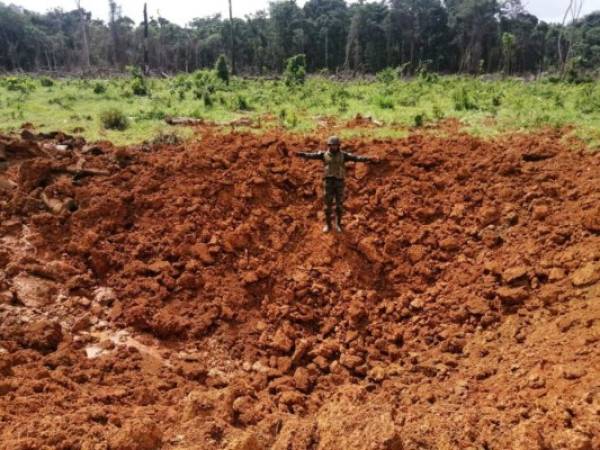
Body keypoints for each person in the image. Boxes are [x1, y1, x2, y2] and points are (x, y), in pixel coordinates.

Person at [295, 136, 379, 233]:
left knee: (339, 206)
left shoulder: (344, 155)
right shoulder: (323, 154)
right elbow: (311, 155)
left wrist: (368, 159)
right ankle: (328, 224)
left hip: (339, 182)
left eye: (336, 145)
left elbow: (356, 158)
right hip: (328, 182)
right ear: (329, 145)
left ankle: (338, 224)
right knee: (327, 206)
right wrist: (300, 154)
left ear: (338, 146)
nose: (334, 147)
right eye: (332, 145)